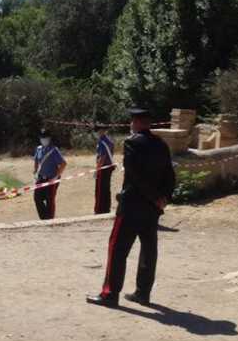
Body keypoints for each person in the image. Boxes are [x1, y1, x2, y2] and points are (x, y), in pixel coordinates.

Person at [87, 108, 175, 307]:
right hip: (152, 208)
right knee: (149, 250)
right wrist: (163, 198)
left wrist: (155, 197)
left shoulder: (132, 143)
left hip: (132, 205)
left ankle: (110, 294)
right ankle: (143, 293)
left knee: (117, 249)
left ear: (136, 122)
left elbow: (136, 176)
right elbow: (170, 175)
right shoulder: (161, 144)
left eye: (132, 121)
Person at [32, 129, 66, 220]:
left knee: (49, 200)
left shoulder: (54, 150)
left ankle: (50, 219)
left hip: (51, 179)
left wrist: (56, 177)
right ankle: (43, 218)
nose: (44, 140)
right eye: (42, 138)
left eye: (45, 138)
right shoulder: (39, 149)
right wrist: (35, 170)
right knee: (37, 198)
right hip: (40, 178)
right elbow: (36, 160)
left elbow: (63, 164)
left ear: (49, 138)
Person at [94, 124, 115, 214]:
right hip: (109, 166)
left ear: (101, 131)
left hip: (103, 168)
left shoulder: (102, 142)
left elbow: (102, 157)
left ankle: (99, 209)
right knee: (106, 189)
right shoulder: (109, 140)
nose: (96, 133)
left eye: (97, 130)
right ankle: (106, 208)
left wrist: (97, 170)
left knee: (99, 190)